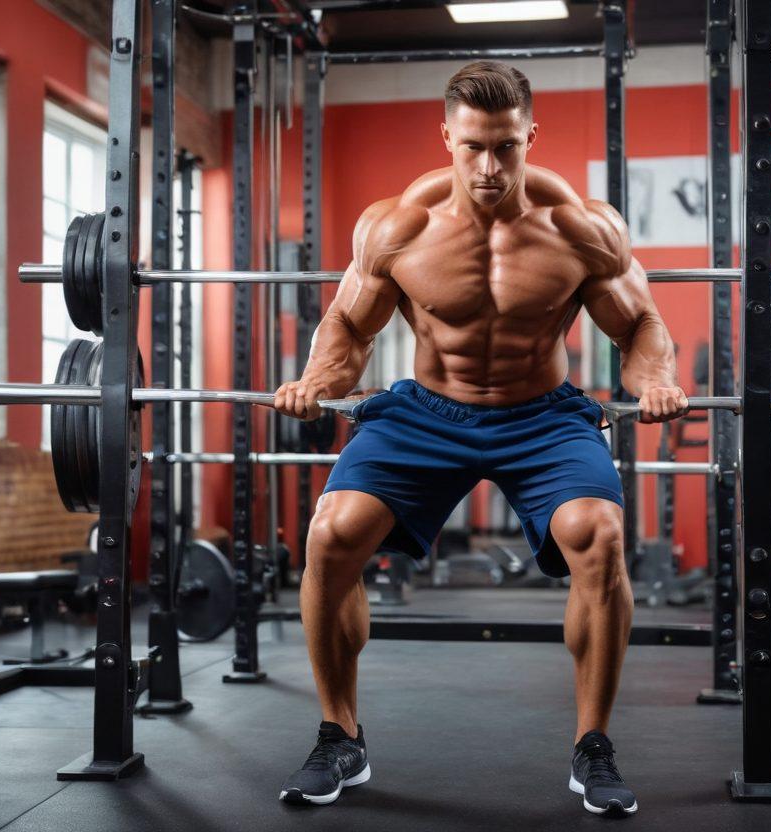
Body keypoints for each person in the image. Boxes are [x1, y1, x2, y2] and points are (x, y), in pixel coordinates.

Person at [273, 60, 688, 818]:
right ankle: (339, 734)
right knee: (332, 535)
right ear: (446, 138)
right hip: (431, 410)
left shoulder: (580, 228)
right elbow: (347, 326)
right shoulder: (397, 225)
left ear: (531, 135)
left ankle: (592, 746)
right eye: (472, 147)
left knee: (598, 534)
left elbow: (641, 325)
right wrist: (319, 381)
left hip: (543, 415)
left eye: (505, 146)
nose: (489, 167)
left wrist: (653, 379)